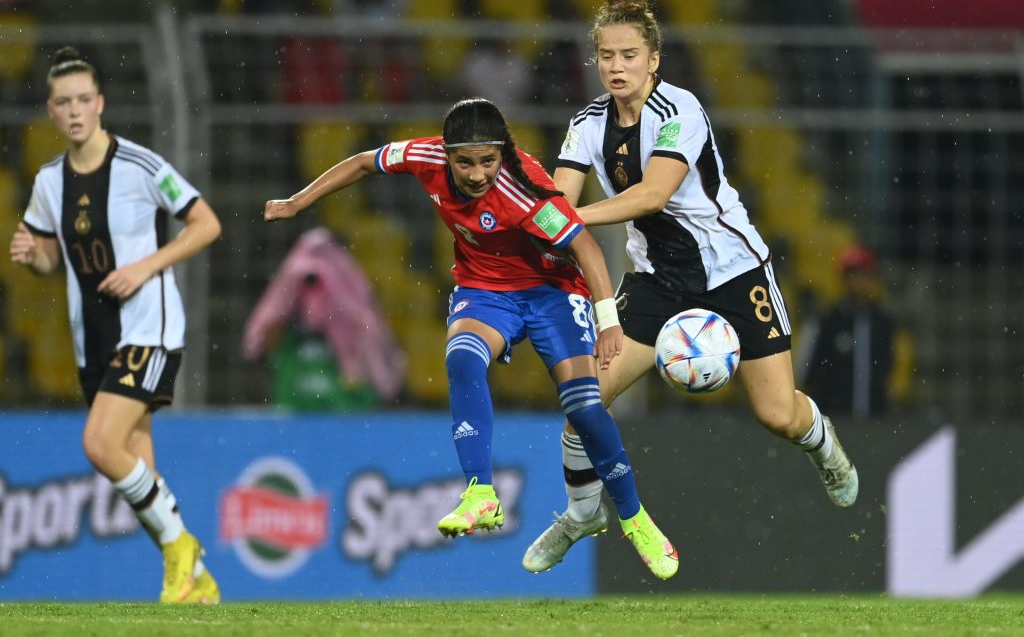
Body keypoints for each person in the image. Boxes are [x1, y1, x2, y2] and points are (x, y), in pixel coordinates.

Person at [521, 0, 860, 573]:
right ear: (595, 61)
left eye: (629, 56)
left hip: (732, 272)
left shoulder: (681, 111)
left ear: (654, 60)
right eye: (606, 56)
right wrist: (533, 221)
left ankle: (824, 444)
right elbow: (557, 195)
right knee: (582, 402)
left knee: (777, 414)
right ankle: (582, 513)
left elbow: (652, 195)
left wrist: (565, 220)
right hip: (655, 280)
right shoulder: (587, 123)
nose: (617, 67)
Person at [264, 97, 679, 580]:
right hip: (485, 291)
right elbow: (361, 162)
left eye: (489, 160)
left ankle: (633, 517)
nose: (478, 173)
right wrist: (299, 201)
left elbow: (584, 246)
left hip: (550, 293)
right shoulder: (425, 157)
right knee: (462, 357)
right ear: (447, 153)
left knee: (585, 407)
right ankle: (480, 494)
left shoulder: (525, 194)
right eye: (466, 162)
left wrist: (608, 319)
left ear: (503, 152)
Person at [9, 47, 222, 603]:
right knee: (139, 467)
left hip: (149, 326)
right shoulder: (49, 181)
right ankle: (194, 583)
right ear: (51, 112)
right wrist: (32, 255)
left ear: (100, 104)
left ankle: (183, 552)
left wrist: (145, 267)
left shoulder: (141, 165)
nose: (75, 111)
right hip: (95, 338)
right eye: (63, 103)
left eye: (84, 99)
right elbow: (54, 260)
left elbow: (206, 224)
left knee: (101, 445)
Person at [802, 244, 906, 420]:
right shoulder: (828, 321)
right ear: (843, 279)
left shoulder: (882, 323)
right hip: (835, 418)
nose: (858, 282)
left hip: (875, 418)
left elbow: (891, 367)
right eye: (852, 275)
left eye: (863, 275)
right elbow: (810, 370)